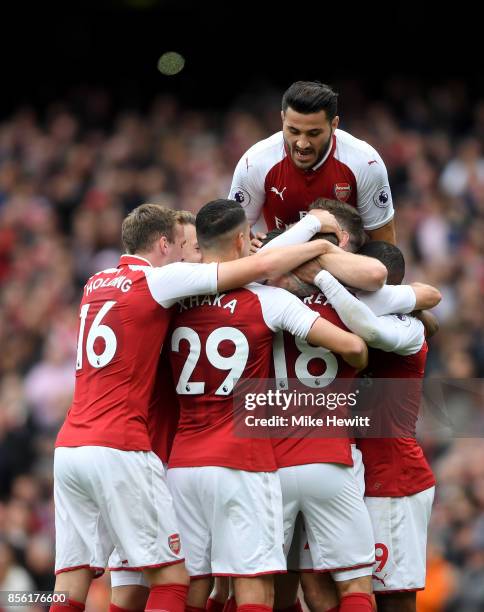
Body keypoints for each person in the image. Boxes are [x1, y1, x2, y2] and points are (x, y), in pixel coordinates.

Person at [50, 202, 343, 612]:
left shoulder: (94, 283)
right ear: (165, 244)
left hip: (71, 449)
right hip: (126, 451)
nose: (194, 254)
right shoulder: (161, 282)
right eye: (186, 245)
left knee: (72, 579)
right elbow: (258, 267)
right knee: (173, 580)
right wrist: (315, 231)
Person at [165, 199, 369, 612]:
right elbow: (354, 347)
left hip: (183, 463)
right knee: (255, 586)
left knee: (193, 588)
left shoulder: (171, 292)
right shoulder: (267, 301)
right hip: (245, 459)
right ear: (243, 239)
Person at [316, 242, 438, 612]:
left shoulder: (407, 326)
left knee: (393, 599)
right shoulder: (350, 313)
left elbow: (369, 329)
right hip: (352, 471)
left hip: (394, 479)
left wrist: (319, 274)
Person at [229, 81, 396, 244]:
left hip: (345, 269)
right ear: (282, 119)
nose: (302, 144)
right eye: (293, 131)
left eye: (313, 133)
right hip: (279, 267)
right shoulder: (254, 163)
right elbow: (233, 236)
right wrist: (254, 254)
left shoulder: (365, 163)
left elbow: (384, 246)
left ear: (334, 124)